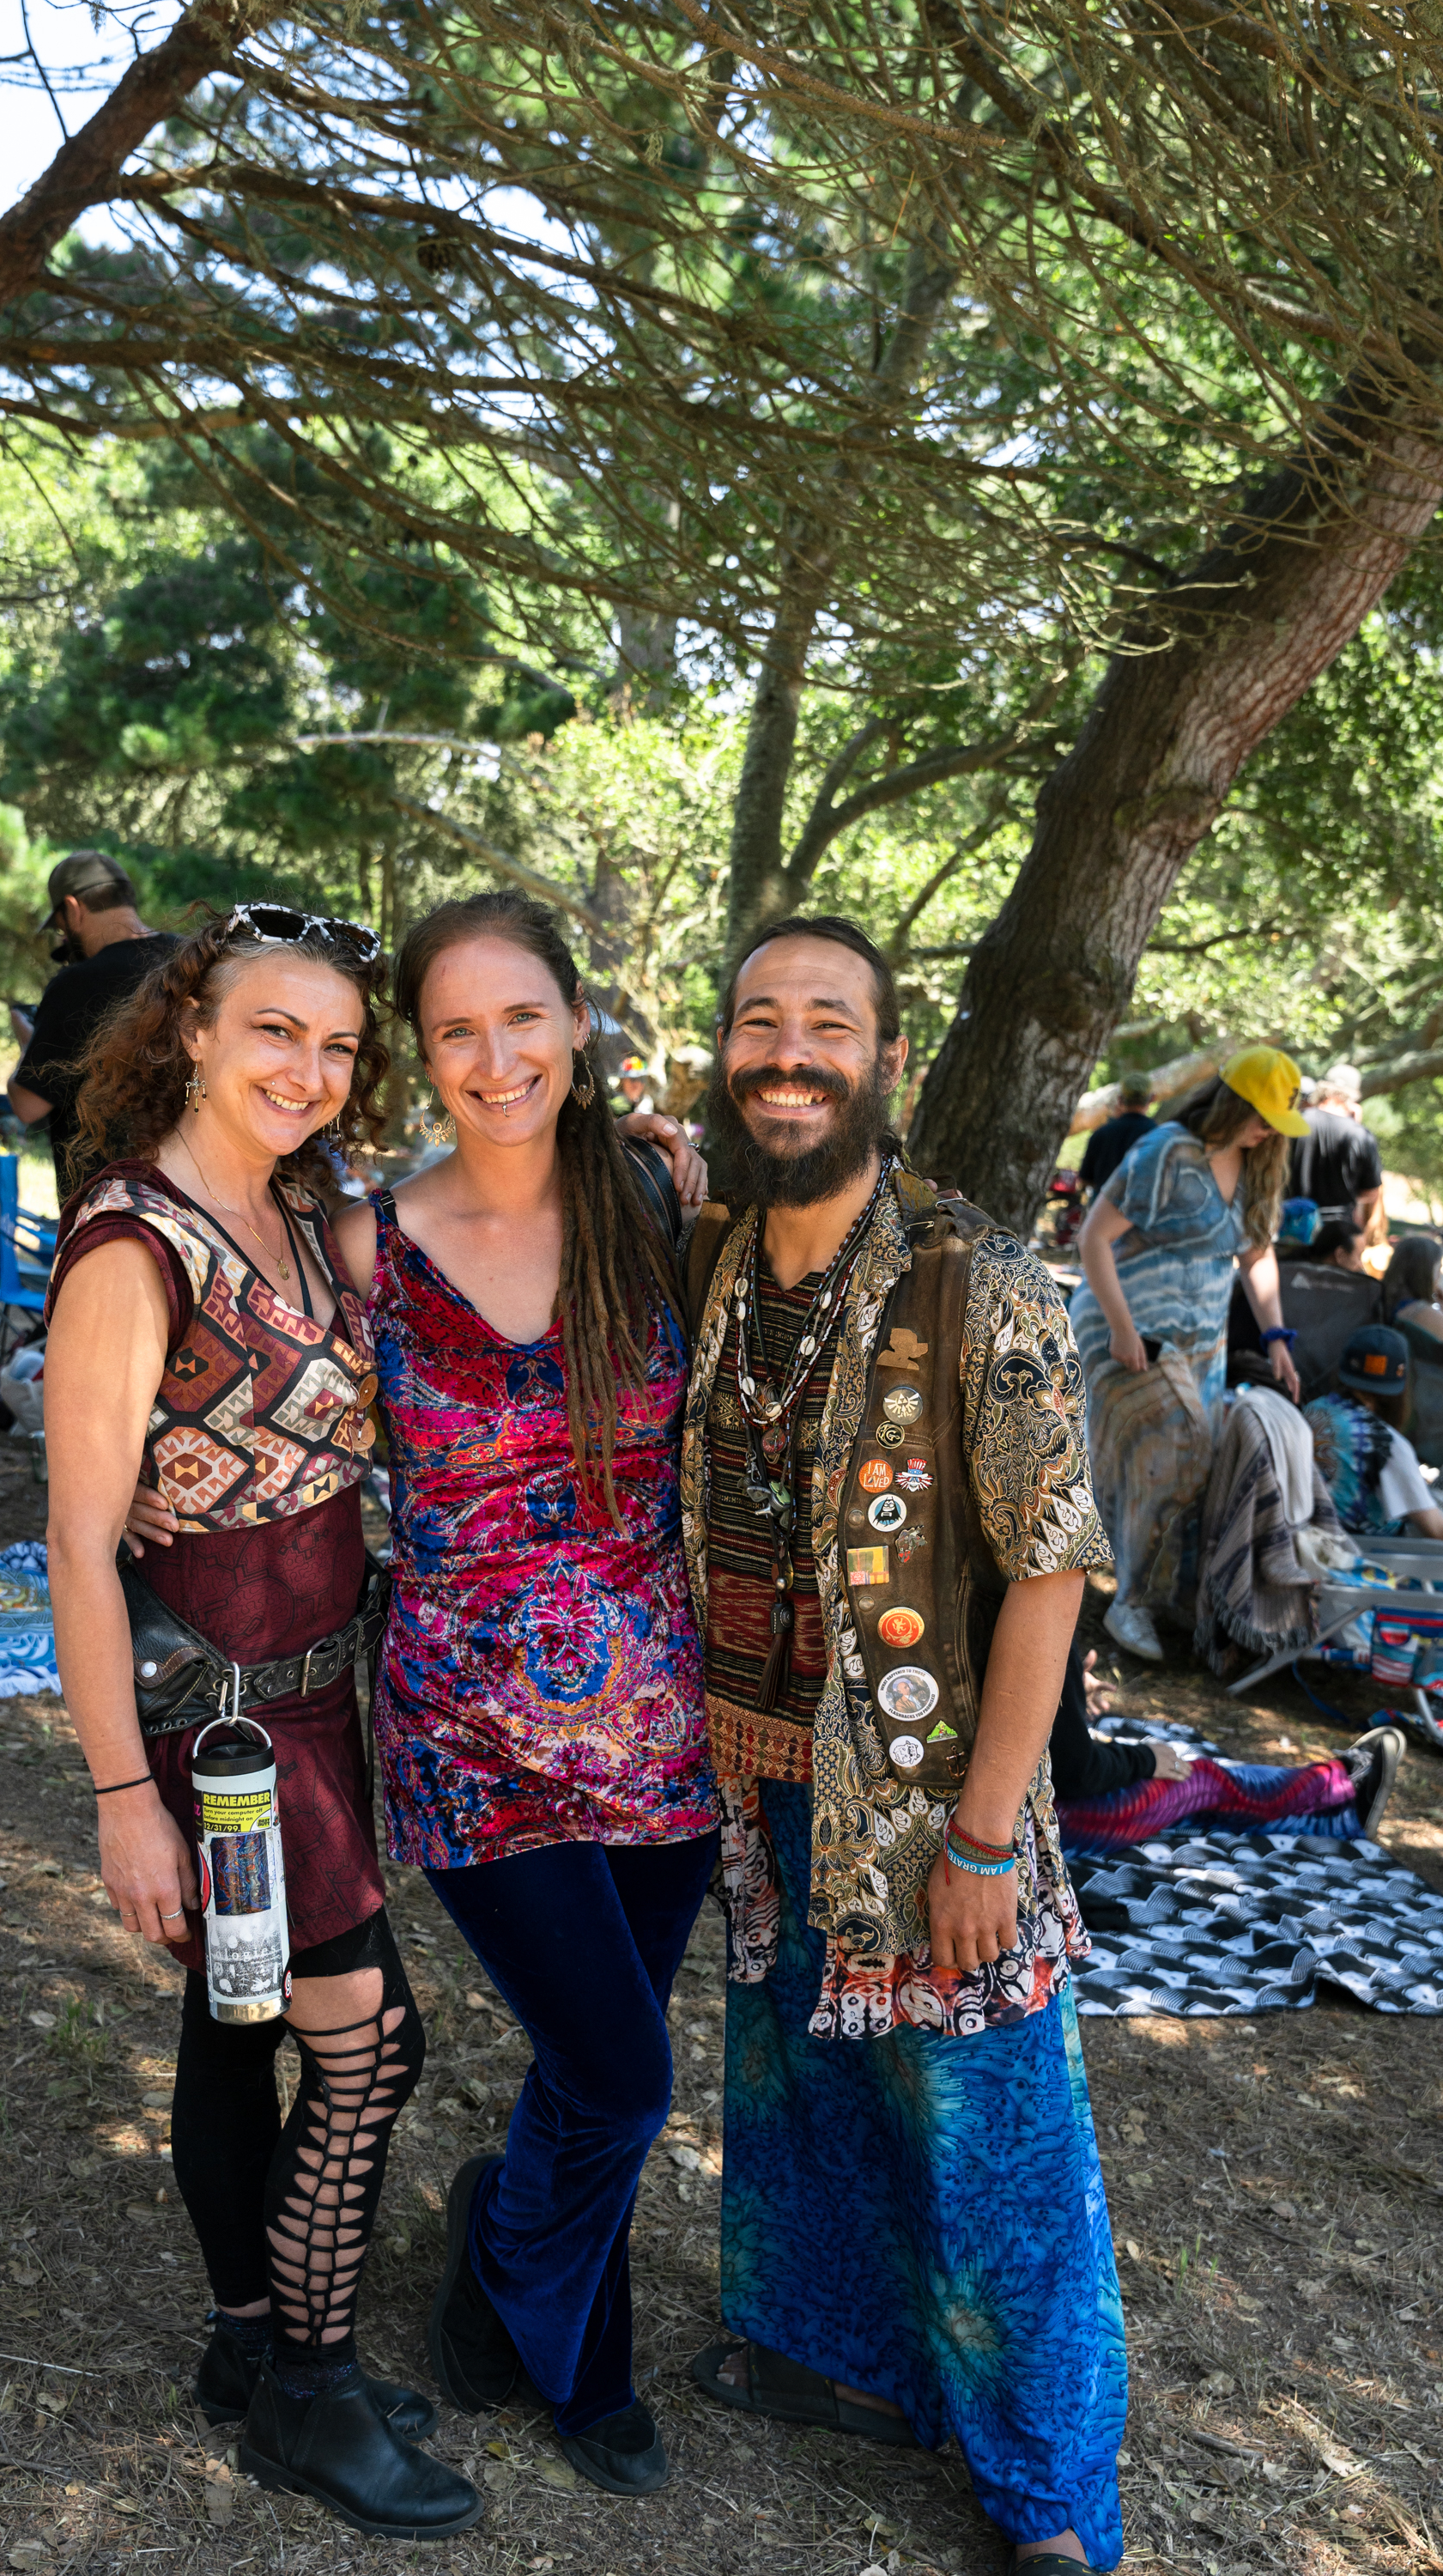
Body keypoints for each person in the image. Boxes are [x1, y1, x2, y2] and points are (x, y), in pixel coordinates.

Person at [683, 914, 1124, 2576]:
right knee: (803, 2082)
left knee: (999, 2153)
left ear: (886, 1059)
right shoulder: (718, 1258)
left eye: (826, 1024)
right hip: (757, 1773)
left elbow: (1055, 1565)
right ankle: (846, 2365)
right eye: (757, 1021)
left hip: (934, 1809)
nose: (786, 1052)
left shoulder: (982, 1282)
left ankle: (1054, 2506)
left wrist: (989, 1839)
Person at [42, 903, 482, 2540]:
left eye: (339, 1046)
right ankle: (311, 2386)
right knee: (370, 2050)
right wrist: (116, 1797)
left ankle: (247, 2347)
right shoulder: (131, 1247)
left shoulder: (301, 1205)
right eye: (275, 1031)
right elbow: (79, 1542)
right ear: (194, 1029)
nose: (310, 1068)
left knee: (238, 2030)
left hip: (319, 1701)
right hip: (222, 1743)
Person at [336, 890, 718, 2498]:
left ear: (576, 1017)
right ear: (419, 1054)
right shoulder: (364, 1243)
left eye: (521, 1017)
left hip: (662, 1724)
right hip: (464, 1727)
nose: (495, 1057)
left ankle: (500, 2229)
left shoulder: (656, 1202)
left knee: (594, 2059)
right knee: (627, 2072)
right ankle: (576, 2345)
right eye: (454, 1030)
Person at [1070, 1048, 1307, 1663]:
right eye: (1262, 1117)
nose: (1268, 1132)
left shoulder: (1260, 1163)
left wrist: (1277, 1337)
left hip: (1202, 1344)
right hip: (1125, 1327)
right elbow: (1093, 1236)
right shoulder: (1168, 1152)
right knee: (1176, 1452)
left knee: (1189, 1465)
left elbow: (1256, 1255)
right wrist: (1122, 1329)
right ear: (1234, 1103)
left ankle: (1163, 1593)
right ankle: (1130, 1604)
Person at [1049, 1646, 1403, 1848]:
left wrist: (1069, 1691)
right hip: (1042, 1827)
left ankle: (1335, 1819)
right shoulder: (1042, 1589)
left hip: (1029, 1818)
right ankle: (1335, 1783)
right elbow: (1076, 1770)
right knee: (1196, 1778)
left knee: (1185, 1798)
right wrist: (1144, 1758)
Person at [9, 853, 179, 1196]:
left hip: (109, 1208)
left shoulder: (77, 985)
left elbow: (27, 1106)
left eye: (60, 927)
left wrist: (29, 1042)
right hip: (201, 1203)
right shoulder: (194, 960)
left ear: (73, 908)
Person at [1305, 1325, 1443, 1540]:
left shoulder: (1312, 1410)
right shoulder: (1386, 1444)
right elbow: (1436, 1531)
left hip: (1310, 1540)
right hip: (1365, 1560)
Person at [1288, 1061, 1381, 1231]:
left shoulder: (1296, 1123)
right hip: (1336, 1233)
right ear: (1352, 1097)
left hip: (1289, 1222)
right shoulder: (1360, 1135)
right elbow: (1371, 1192)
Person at [1079, 1073, 1155, 1196]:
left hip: (1102, 1209)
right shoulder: (1157, 1135)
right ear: (1152, 1099)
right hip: (1139, 1210)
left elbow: (1085, 1180)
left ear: (1120, 1099)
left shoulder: (1101, 1133)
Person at [1381, 1234, 1443, 1345]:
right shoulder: (1420, 1312)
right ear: (1427, 1272)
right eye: (1438, 1268)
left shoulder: (1380, 1298)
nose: (1439, 1275)